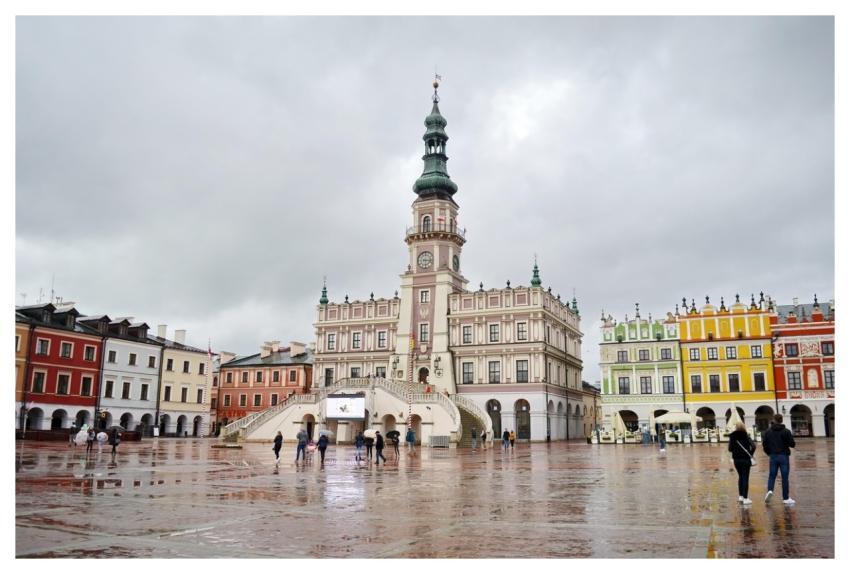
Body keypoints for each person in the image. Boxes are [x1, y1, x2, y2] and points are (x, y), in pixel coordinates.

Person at [762, 414, 796, 505]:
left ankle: (770, 490)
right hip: (784, 456)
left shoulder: (768, 432)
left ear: (774, 420)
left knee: (772, 475)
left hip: (773, 456)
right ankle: (785, 498)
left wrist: (769, 453)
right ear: (781, 420)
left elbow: (764, 444)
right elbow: (792, 444)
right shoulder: (786, 431)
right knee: (785, 477)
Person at [728, 421, 756, 504]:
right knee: (745, 478)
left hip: (736, 460)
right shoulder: (746, 435)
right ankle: (746, 498)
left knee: (740, 477)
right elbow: (753, 446)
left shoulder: (732, 436)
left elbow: (730, 449)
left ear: (736, 427)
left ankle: (740, 496)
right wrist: (750, 454)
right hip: (745, 459)